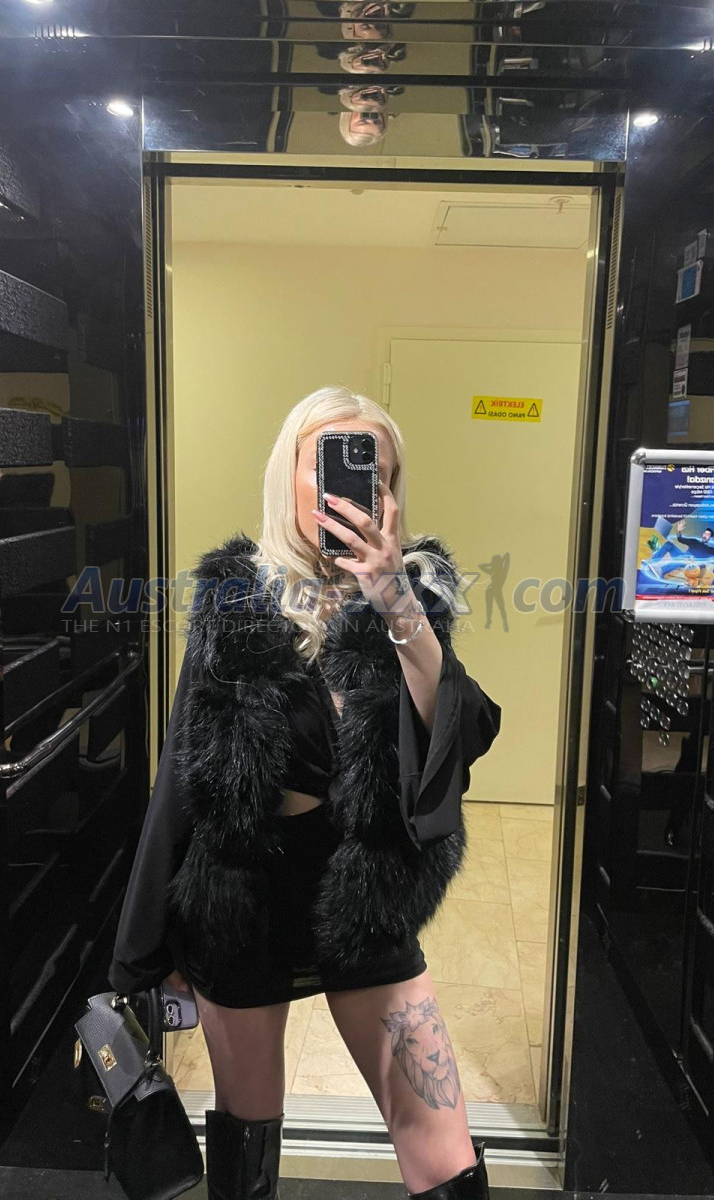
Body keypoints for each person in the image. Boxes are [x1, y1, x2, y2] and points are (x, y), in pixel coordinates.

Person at [108, 385, 502, 1199]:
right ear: (287, 474)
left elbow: (458, 732)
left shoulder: (416, 592)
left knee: (443, 1146)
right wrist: (138, 951)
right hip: (243, 901)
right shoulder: (236, 598)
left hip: (363, 895)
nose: (355, 487)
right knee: (247, 1137)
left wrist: (393, 600)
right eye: (327, 464)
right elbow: (183, 772)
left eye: (375, 473)